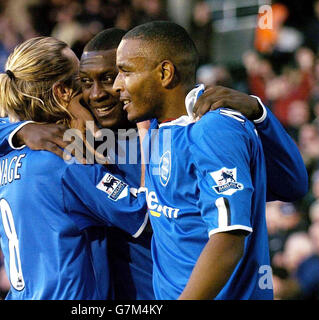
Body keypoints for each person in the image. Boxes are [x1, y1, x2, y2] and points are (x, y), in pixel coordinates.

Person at [0, 28, 308, 300]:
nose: (101, 93)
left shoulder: (189, 131)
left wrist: (259, 114)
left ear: (154, 73)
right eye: (85, 83)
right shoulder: (65, 146)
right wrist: (21, 131)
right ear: (65, 92)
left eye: (113, 76)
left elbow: (289, 186)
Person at [112, 21, 307, 299]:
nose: (117, 86)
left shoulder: (212, 128)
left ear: (165, 73)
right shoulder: (159, 128)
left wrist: (258, 112)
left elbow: (228, 239)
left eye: (125, 72)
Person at [0, 36, 150, 300]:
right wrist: (147, 131)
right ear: (62, 91)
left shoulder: (3, 154)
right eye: (81, 79)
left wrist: (21, 130)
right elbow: (143, 214)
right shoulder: (65, 159)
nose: (92, 91)